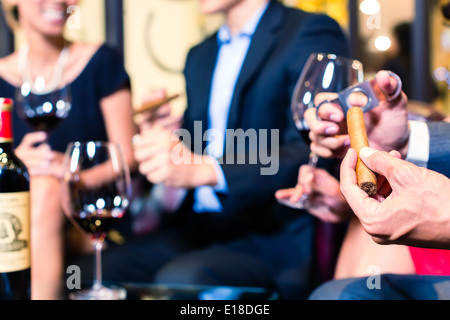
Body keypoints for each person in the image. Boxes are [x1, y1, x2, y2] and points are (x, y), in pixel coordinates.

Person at [77, 0, 350, 299]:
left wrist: (208, 170)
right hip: (199, 227)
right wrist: (173, 134)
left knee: (183, 279)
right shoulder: (200, 54)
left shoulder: (309, 31)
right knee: (84, 276)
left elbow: (312, 151)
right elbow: (200, 146)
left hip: (272, 233)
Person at [0, 0, 137, 299]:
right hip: (19, 214)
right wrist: (15, 165)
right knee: (37, 189)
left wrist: (75, 178)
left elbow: (128, 155)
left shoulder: (101, 62)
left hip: (89, 214)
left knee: (48, 188)